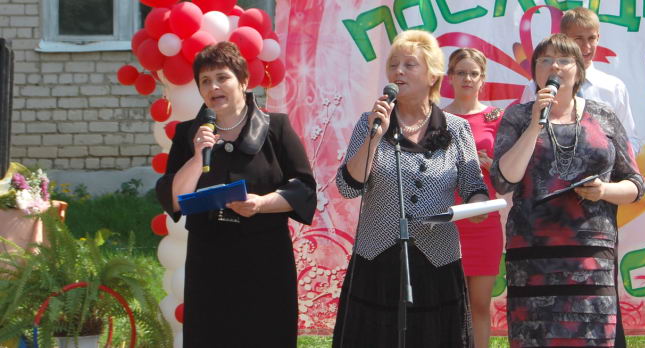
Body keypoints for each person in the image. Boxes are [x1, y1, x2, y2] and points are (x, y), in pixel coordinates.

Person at [333, 30, 490, 348]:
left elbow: (473, 186)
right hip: (376, 261)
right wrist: (376, 136)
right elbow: (348, 188)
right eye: (393, 65)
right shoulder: (370, 122)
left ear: (433, 75)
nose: (398, 72)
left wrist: (477, 206)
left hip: (437, 263)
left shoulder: (456, 128)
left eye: (409, 65)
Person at [155, 41, 316, 348]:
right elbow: (173, 199)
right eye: (205, 81)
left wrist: (261, 204)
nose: (213, 87)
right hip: (209, 261)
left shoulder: (276, 128)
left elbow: (304, 190)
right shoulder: (188, 134)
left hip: (265, 259)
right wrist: (197, 156)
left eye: (222, 77)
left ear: (243, 81)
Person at [491, 33, 644, 347]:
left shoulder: (603, 115)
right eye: (545, 60)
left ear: (579, 70)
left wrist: (604, 190)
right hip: (533, 256)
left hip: (590, 256)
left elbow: (635, 185)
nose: (554, 66)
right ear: (535, 72)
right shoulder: (518, 116)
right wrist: (535, 124)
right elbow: (504, 180)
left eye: (563, 60)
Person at [443, 47, 504, 348]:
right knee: (447, 306)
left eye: (473, 73)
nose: (467, 78)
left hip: (484, 222)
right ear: (450, 77)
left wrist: (491, 165)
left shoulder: (497, 117)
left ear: (482, 79)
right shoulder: (436, 117)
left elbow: (510, 173)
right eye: (461, 72)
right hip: (446, 222)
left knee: (479, 305)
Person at [521, 7, 640, 153]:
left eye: (591, 38)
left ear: (598, 38)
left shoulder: (614, 87)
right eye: (578, 39)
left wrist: (611, 162)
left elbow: (630, 140)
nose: (586, 46)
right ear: (564, 39)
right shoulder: (536, 87)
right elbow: (521, 133)